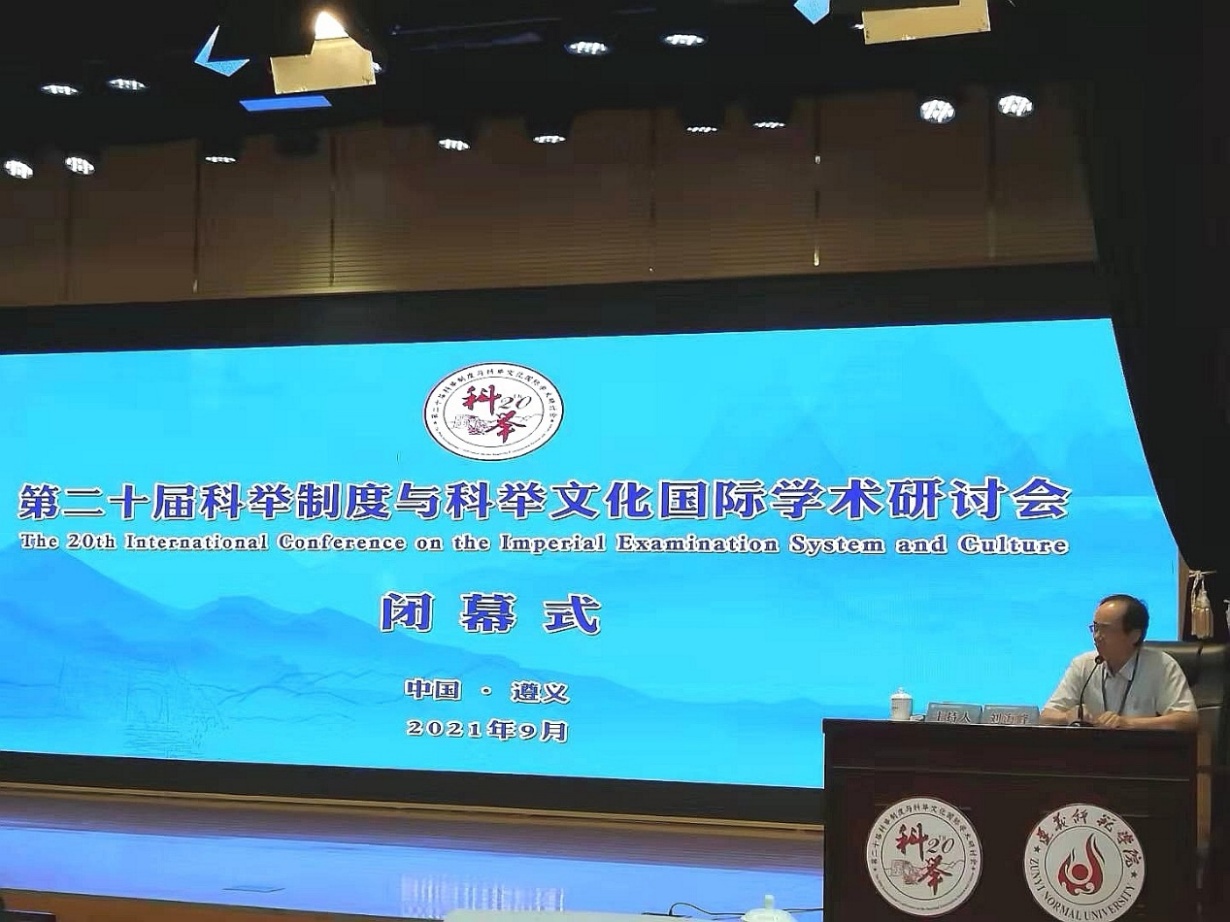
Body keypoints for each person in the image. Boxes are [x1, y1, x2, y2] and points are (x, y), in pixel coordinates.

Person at [1040, 594, 1198, 730]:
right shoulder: (1084, 664)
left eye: (1105, 629)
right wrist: (1068, 716)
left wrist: (1128, 723)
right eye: (1095, 628)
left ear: (1134, 635)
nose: (1096, 636)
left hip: (1142, 752)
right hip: (1092, 752)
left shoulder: (1161, 665)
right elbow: (1046, 716)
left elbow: (1187, 719)